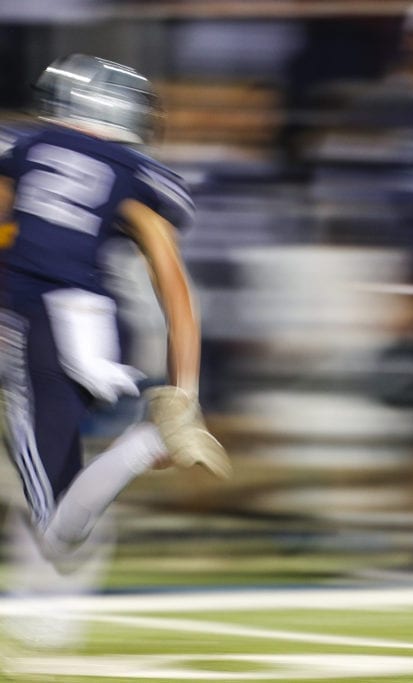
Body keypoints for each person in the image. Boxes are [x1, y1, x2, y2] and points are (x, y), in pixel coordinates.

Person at [0, 54, 230, 643]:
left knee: (54, 518)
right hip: (96, 326)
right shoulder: (133, 172)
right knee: (58, 498)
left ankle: (142, 445)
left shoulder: (22, 148)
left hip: (29, 323)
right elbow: (172, 280)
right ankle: (49, 614)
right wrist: (186, 387)